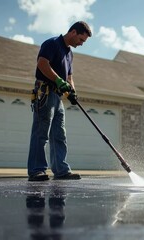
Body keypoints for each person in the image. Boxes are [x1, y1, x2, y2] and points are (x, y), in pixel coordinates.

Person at [27, 21, 92, 181]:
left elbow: (69, 77)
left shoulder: (70, 54)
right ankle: (37, 170)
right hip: (45, 92)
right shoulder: (52, 43)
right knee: (41, 133)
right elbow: (42, 64)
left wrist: (72, 90)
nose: (81, 44)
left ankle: (61, 170)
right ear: (73, 32)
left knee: (59, 135)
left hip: (58, 96)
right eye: (81, 40)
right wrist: (58, 80)